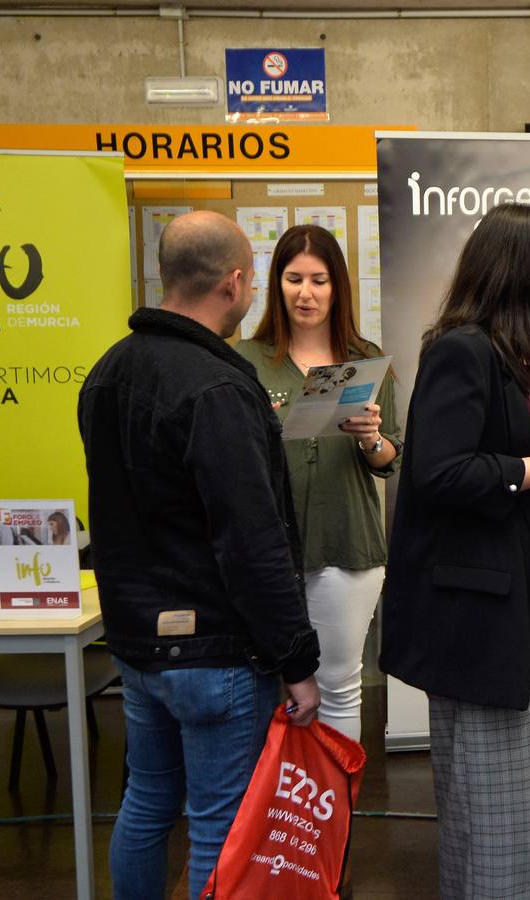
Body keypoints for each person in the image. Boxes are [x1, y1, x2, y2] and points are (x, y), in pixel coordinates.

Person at [379, 203, 530, 899]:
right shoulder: (462, 350)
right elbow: (441, 473)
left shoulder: (528, 356)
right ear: (522, 269)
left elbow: (524, 461)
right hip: (491, 614)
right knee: (501, 818)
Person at [78, 210, 320, 900]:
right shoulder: (217, 386)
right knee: (223, 822)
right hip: (215, 653)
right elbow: (251, 543)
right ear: (237, 283)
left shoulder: (106, 372)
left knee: (148, 804)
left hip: (136, 645)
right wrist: (297, 660)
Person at [236, 223, 400, 742]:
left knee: (339, 686)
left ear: (338, 287)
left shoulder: (365, 359)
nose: (305, 293)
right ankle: (277, 816)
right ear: (275, 285)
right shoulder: (246, 360)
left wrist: (370, 436)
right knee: (266, 687)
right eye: (293, 278)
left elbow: (390, 456)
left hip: (346, 542)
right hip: (267, 550)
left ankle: (333, 819)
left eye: (319, 280)